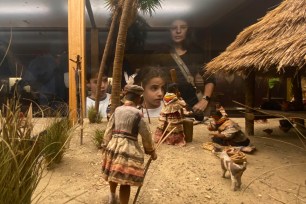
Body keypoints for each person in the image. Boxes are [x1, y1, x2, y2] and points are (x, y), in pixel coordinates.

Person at [101, 85, 157, 204]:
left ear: (126, 97)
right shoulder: (137, 114)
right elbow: (146, 134)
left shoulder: (117, 110)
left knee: (114, 173)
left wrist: (105, 144)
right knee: (125, 180)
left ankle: (112, 196)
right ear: (138, 99)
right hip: (128, 149)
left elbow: (109, 129)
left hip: (114, 146)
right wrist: (151, 151)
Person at [156, 19, 216, 121]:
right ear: (169, 31)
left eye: (183, 27)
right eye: (174, 28)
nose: (178, 31)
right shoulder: (161, 53)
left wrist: (205, 100)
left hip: (193, 105)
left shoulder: (196, 52)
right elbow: (152, 78)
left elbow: (210, 78)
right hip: (167, 103)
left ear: (188, 30)